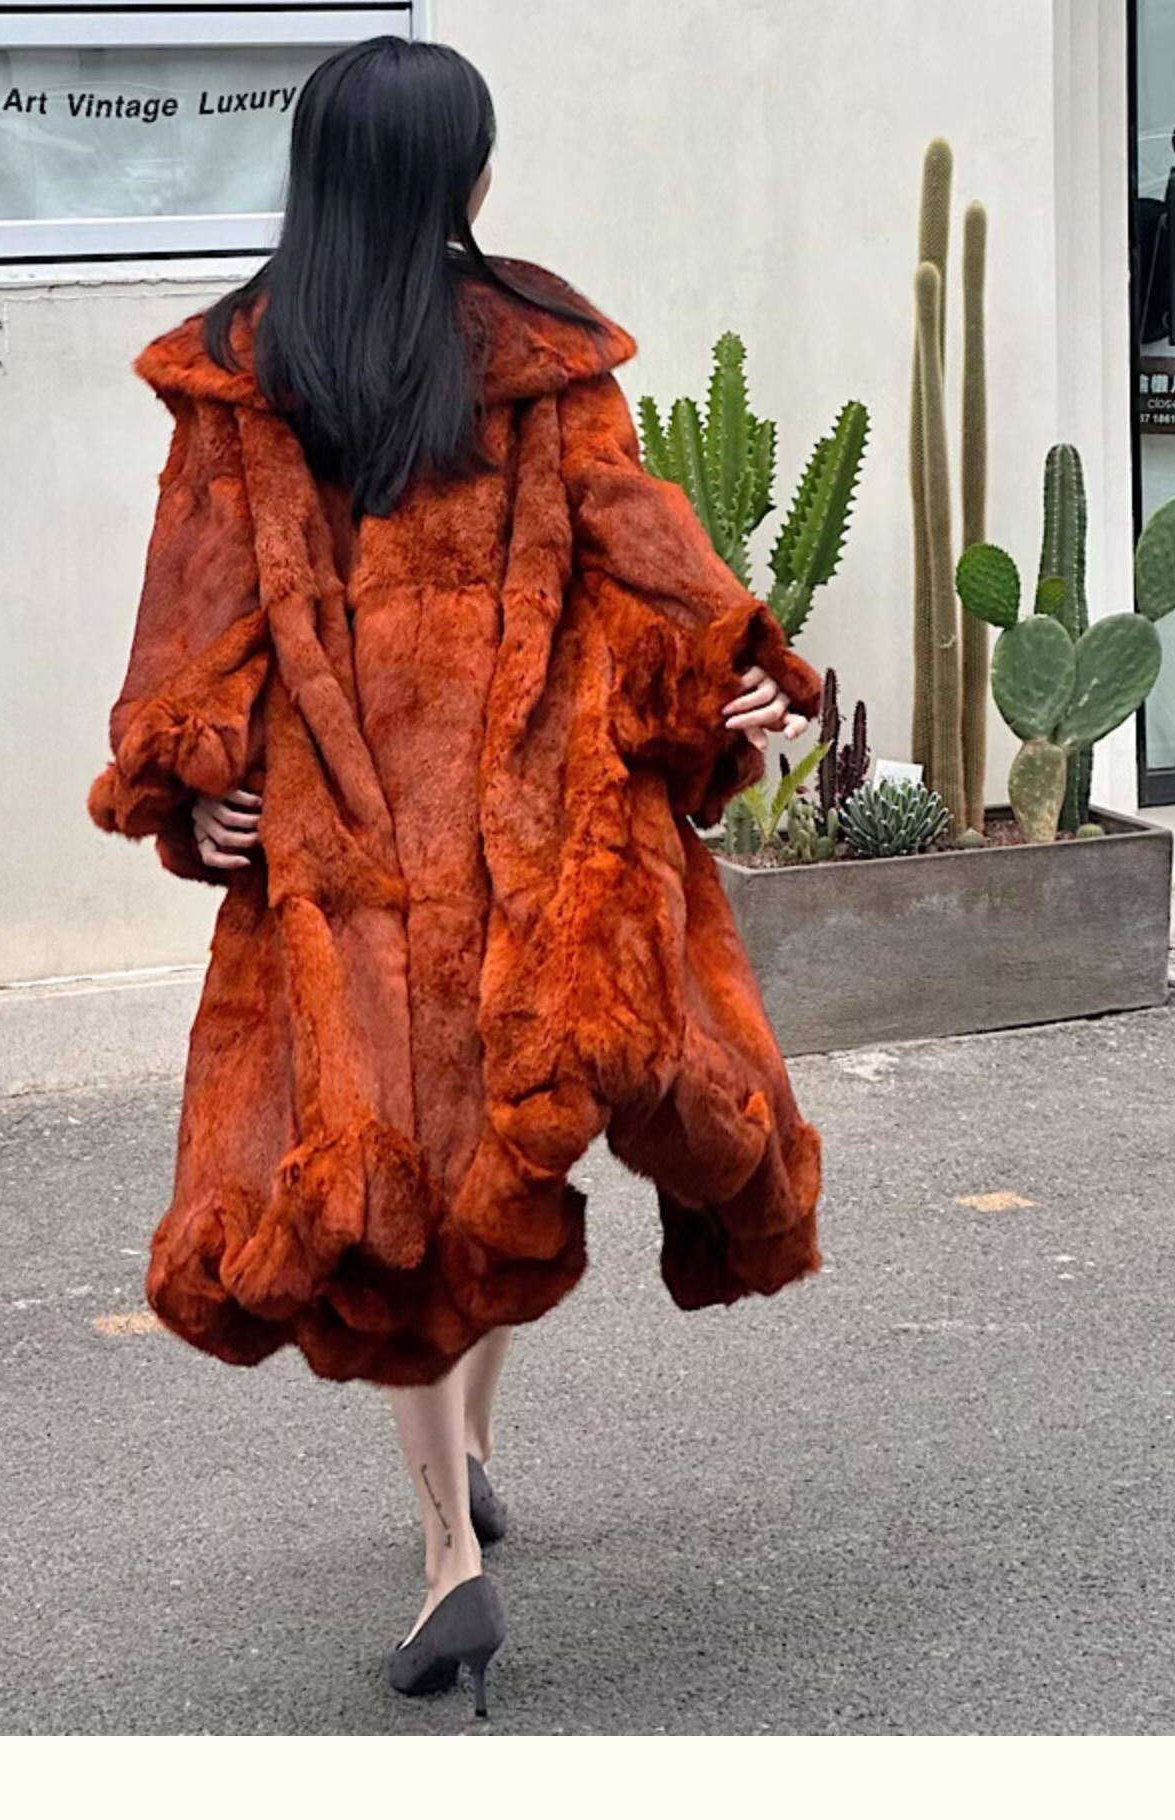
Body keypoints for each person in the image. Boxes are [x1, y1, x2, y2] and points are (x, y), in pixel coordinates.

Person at [88, 34, 824, 1720]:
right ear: (456, 175)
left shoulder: (242, 371)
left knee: (397, 1189)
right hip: (532, 831)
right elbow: (641, 549)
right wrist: (738, 665)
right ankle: (460, 1504)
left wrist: (187, 787)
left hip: (344, 858)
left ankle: (448, 1548)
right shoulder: (542, 352)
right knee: (499, 1143)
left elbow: (191, 616)